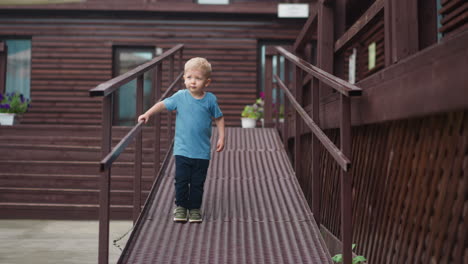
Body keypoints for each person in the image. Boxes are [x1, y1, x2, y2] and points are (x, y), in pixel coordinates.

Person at [138, 57, 225, 223]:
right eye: (189, 77)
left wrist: (222, 137)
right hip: (182, 150)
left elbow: (219, 118)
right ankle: (181, 207)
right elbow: (163, 104)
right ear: (184, 78)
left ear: (207, 82)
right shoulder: (180, 96)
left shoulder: (210, 100)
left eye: (198, 78)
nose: (193, 82)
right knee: (182, 180)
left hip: (201, 152)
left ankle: (194, 209)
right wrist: (147, 113)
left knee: (197, 182)